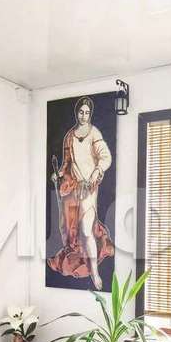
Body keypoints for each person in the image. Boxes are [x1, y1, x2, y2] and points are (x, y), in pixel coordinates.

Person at [48, 96, 114, 289]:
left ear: (90, 114)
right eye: (81, 112)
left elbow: (105, 157)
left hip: (89, 187)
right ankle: (78, 262)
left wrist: (96, 171)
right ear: (76, 113)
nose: (84, 116)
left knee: (86, 230)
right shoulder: (69, 136)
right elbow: (66, 164)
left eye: (87, 112)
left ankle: (95, 273)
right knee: (66, 229)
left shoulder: (94, 133)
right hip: (72, 187)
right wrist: (58, 173)